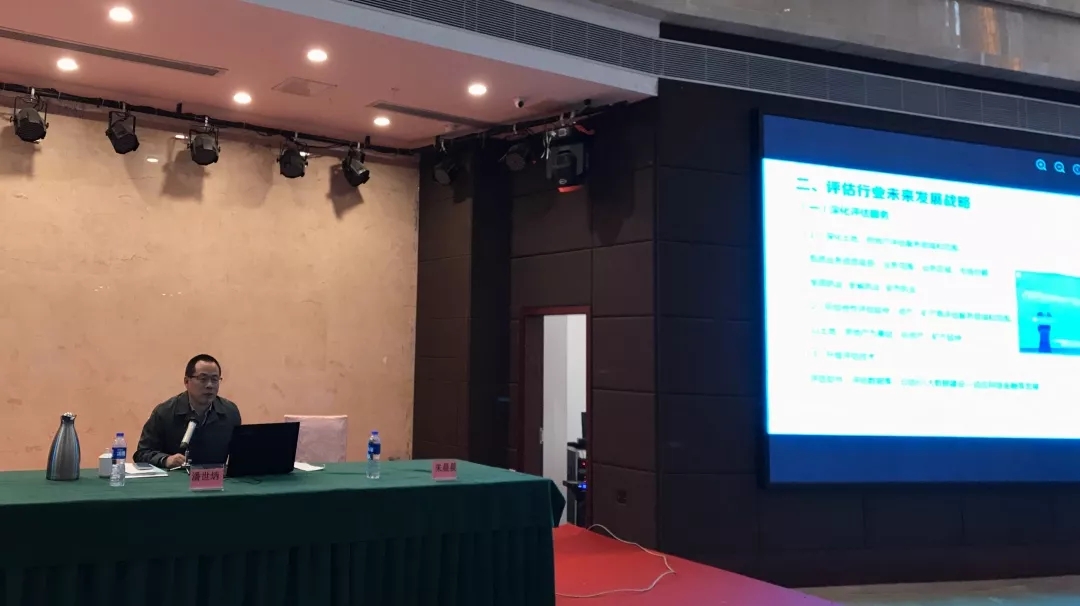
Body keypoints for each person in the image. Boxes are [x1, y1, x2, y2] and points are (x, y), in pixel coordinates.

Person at [133, 354, 242, 469]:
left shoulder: (230, 413)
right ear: (186, 381)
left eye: (215, 379)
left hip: (213, 478)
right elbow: (142, 454)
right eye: (203, 379)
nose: (210, 385)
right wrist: (165, 460)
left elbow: (239, 453)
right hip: (175, 478)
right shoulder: (165, 412)